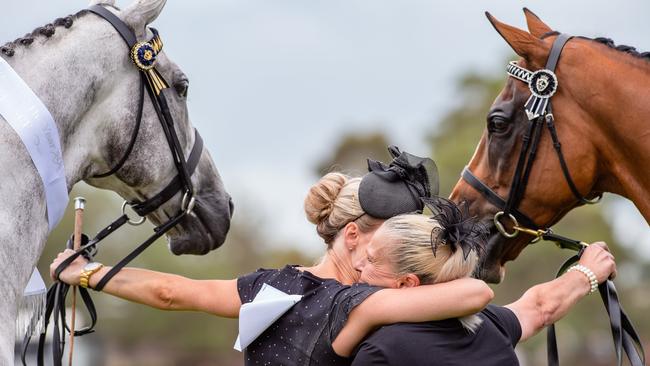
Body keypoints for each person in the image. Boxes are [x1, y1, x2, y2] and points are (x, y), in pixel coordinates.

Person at [50, 147, 494, 366]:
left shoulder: (276, 286)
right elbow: (473, 293)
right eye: (393, 234)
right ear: (354, 235)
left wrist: (89, 272)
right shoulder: (376, 300)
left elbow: (171, 292)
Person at [351, 197, 618, 366]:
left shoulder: (381, 351)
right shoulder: (485, 322)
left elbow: (540, 307)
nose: (358, 264)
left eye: (372, 260)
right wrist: (587, 271)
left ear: (407, 283)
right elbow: (539, 308)